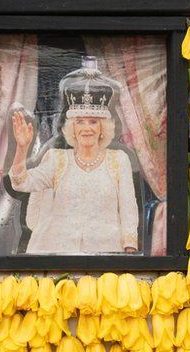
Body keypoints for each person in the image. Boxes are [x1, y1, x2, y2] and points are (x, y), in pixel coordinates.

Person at [9, 80, 139, 254]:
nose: (87, 128)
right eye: (80, 122)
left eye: (93, 122)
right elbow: (21, 183)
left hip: (107, 258)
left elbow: (128, 209)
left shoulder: (119, 160)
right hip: (60, 258)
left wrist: (129, 253)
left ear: (102, 127)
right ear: (72, 127)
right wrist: (22, 148)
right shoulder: (57, 160)